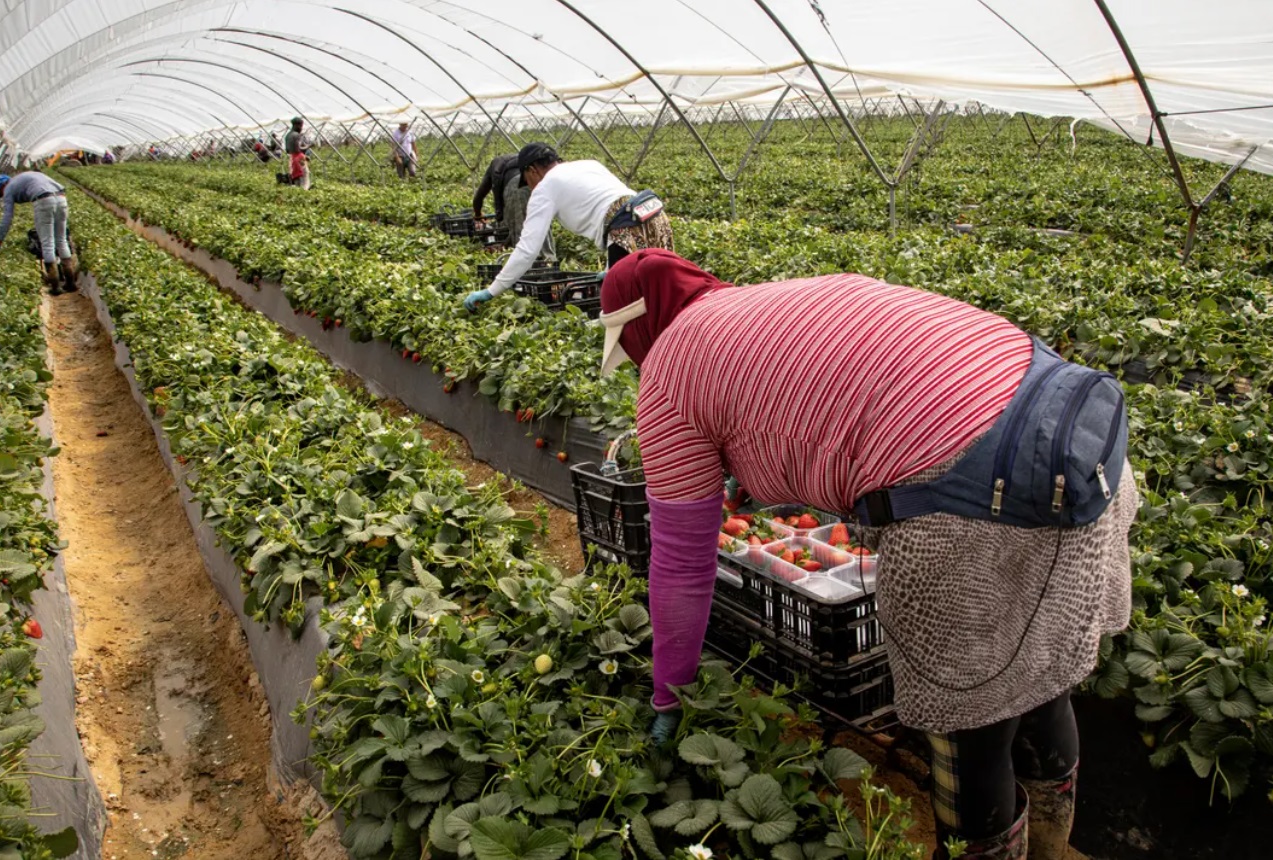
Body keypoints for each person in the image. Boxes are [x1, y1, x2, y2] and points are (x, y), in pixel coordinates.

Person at [598, 250, 1136, 860]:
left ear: (639, 326)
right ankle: (1051, 846)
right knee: (1042, 683)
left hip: (972, 503)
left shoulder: (669, 372)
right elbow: (844, 408)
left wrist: (670, 696)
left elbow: (681, 567)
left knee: (971, 732)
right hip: (1080, 439)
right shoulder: (763, 303)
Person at [462, 143, 672, 310]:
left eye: (527, 180)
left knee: (624, 311)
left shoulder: (545, 187)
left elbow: (527, 250)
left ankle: (636, 360)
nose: (530, 187)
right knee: (660, 295)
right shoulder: (589, 165)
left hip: (627, 230)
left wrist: (492, 290)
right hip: (655, 217)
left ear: (532, 170)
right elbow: (615, 206)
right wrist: (610, 267)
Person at [0, 171, 78, 294]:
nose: (3, 195)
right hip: (61, 198)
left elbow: (7, 218)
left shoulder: (8, 188)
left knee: (47, 243)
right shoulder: (24, 177)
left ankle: (55, 286)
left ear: (2, 186)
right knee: (61, 240)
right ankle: (70, 282)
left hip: (44, 201)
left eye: (0, 193)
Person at [471, 154, 554, 253]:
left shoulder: (495, 165)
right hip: (533, 183)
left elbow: (479, 197)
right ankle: (548, 260)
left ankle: (529, 263)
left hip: (514, 188)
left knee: (519, 232)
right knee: (540, 224)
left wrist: (478, 215)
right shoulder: (524, 161)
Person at [284, 117, 311, 189]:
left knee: (296, 177)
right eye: (301, 126)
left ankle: (298, 193)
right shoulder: (296, 135)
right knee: (304, 178)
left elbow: (287, 150)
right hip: (299, 159)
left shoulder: (287, 135)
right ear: (297, 125)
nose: (301, 128)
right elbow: (298, 149)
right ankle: (304, 193)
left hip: (292, 159)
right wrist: (307, 147)